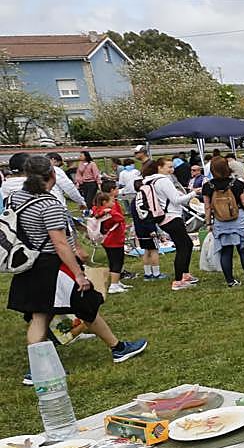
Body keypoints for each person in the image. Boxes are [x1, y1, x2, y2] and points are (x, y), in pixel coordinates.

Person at [7, 156, 147, 372]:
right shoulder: (49, 205)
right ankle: (118, 348)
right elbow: (60, 243)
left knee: (39, 314)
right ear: (52, 174)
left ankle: (36, 369)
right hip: (54, 266)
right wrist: (78, 274)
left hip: (29, 263)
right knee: (87, 306)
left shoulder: (16, 198)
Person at [141, 158, 198, 291]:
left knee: (186, 245)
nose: (171, 169)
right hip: (172, 217)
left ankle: (185, 275)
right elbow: (176, 200)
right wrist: (194, 193)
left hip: (164, 219)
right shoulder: (163, 180)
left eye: (172, 167)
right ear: (159, 167)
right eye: (168, 167)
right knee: (183, 247)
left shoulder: (152, 181)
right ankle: (178, 280)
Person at [202, 156, 244, 288]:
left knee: (226, 251)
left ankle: (230, 281)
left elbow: (207, 206)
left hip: (220, 221)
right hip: (239, 219)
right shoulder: (236, 184)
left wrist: (208, 223)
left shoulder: (207, 186)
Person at [89, 189, 129, 295]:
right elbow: (120, 218)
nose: (114, 203)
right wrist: (111, 211)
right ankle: (114, 285)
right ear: (104, 202)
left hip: (105, 240)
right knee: (118, 261)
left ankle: (116, 281)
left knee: (112, 260)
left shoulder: (96, 210)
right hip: (114, 240)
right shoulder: (109, 213)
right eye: (112, 201)